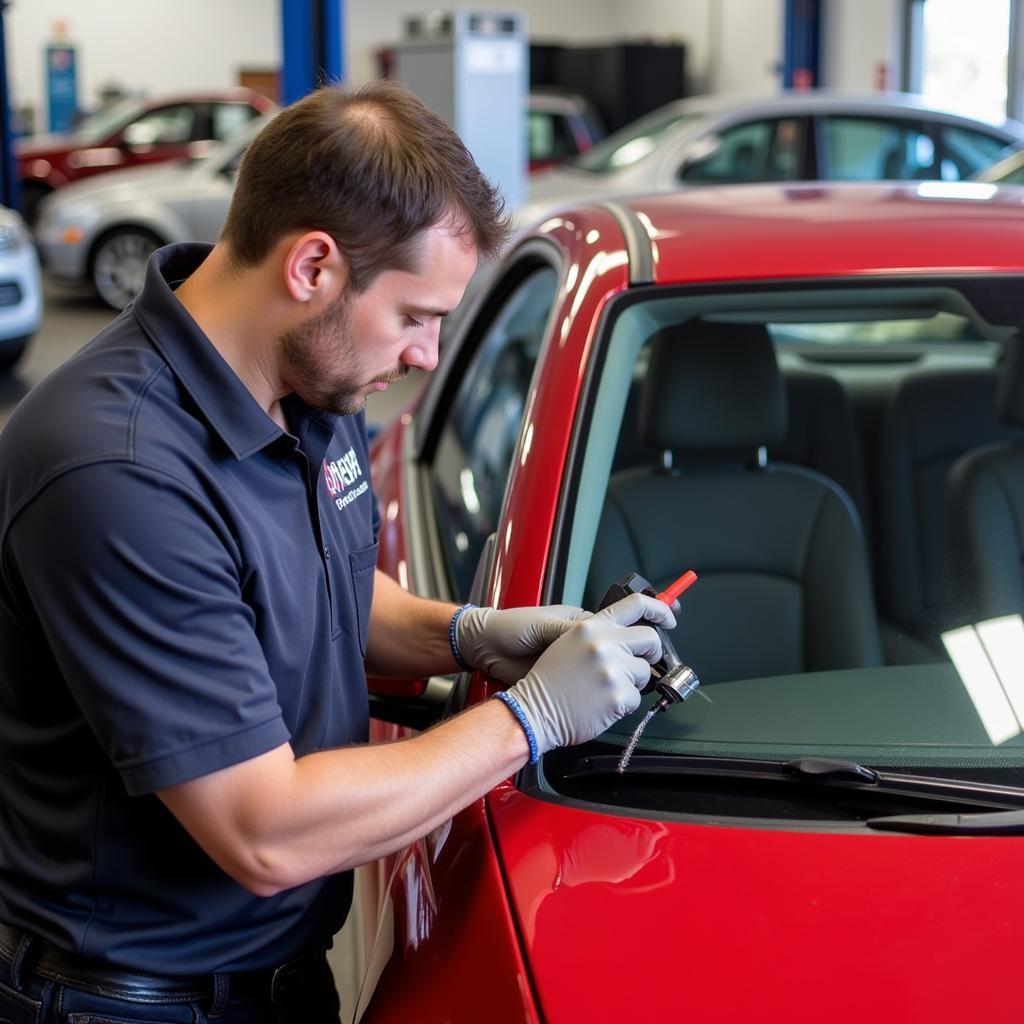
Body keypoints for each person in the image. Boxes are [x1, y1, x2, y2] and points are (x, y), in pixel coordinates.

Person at [0, 82, 673, 1023]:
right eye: (416, 316)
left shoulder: (315, 386)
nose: (430, 356)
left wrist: (471, 633)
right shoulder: (116, 470)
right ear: (313, 265)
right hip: (126, 1001)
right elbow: (263, 829)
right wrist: (532, 718)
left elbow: (334, 592)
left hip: (276, 975)